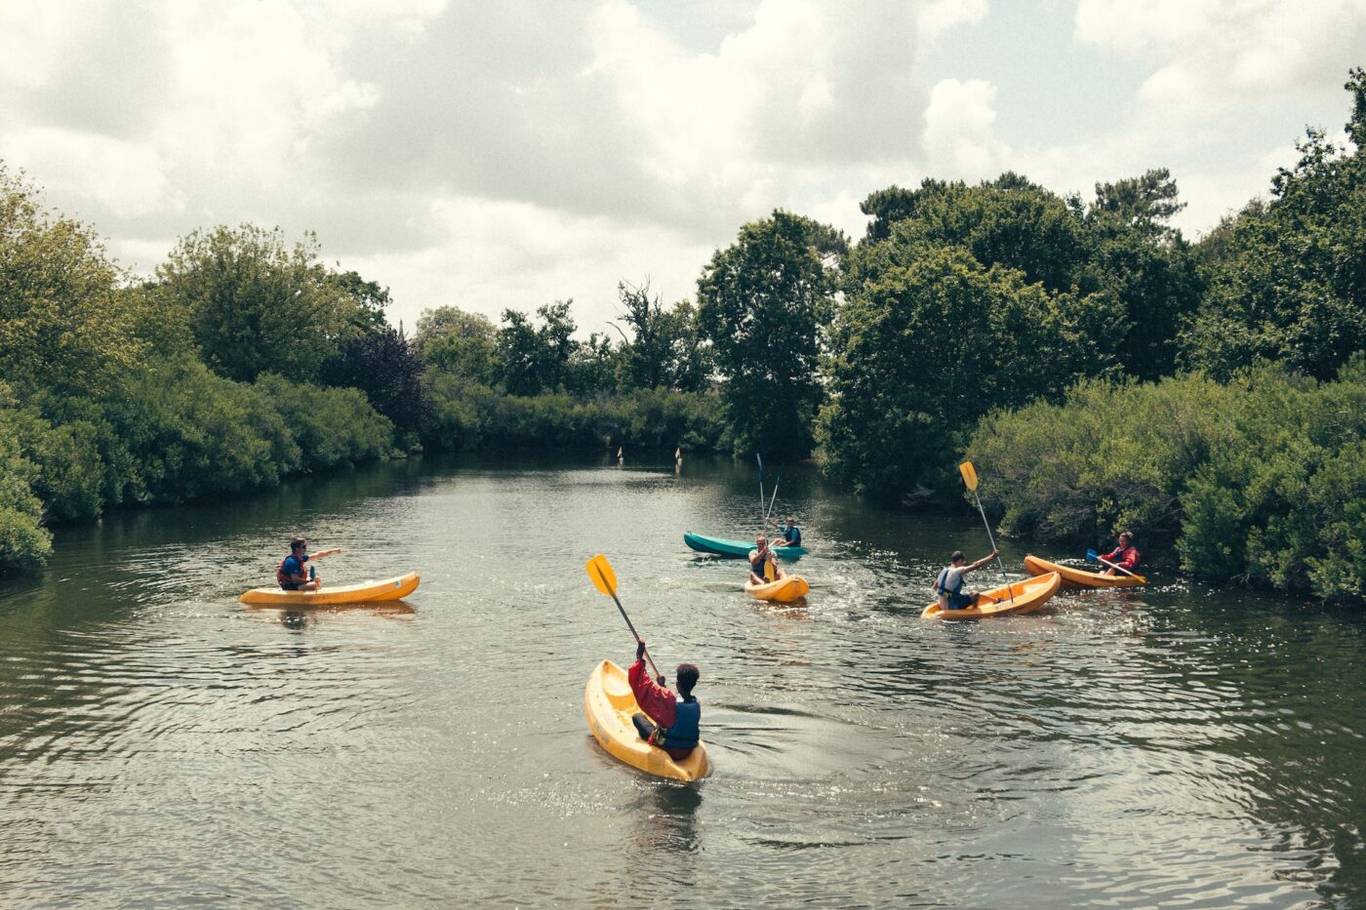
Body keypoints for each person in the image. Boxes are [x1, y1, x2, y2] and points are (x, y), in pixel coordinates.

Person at [628, 640, 700, 761]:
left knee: (637, 717)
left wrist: (639, 658)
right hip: (688, 746)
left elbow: (642, 686)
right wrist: (662, 686)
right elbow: (674, 703)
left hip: (669, 747)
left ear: (677, 685)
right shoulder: (696, 704)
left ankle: (646, 741)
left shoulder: (669, 701)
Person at [932, 549, 999, 611]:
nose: (963, 564)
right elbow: (976, 566)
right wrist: (992, 557)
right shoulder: (957, 570)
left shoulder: (943, 571)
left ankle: (995, 600)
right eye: (962, 562)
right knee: (975, 594)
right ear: (959, 560)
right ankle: (975, 611)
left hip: (943, 604)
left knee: (958, 594)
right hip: (951, 606)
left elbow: (935, 587)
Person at [276, 536, 342, 591]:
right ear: (297, 548)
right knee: (313, 584)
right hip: (289, 586)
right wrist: (308, 581)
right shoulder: (291, 561)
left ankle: (316, 592)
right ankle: (315, 596)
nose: (306, 549)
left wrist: (334, 550)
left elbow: (317, 555)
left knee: (317, 579)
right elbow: (295, 580)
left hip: (295, 584)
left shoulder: (300, 558)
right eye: (304, 547)